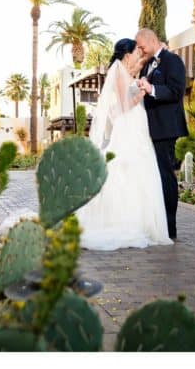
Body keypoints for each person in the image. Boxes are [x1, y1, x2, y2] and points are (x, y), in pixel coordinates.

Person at [75, 38, 173, 250]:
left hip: (136, 126)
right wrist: (141, 94)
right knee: (126, 168)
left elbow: (141, 66)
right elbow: (122, 107)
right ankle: (123, 220)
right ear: (127, 54)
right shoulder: (118, 71)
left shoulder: (125, 71)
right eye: (136, 51)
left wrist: (158, 52)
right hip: (127, 125)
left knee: (140, 170)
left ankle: (141, 222)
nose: (139, 54)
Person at [135, 28, 188, 240]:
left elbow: (176, 91)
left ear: (152, 40)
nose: (140, 50)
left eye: (141, 46)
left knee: (165, 175)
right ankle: (157, 224)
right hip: (150, 128)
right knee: (154, 176)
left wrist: (152, 90)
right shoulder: (147, 64)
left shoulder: (172, 60)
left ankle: (169, 227)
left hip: (166, 128)